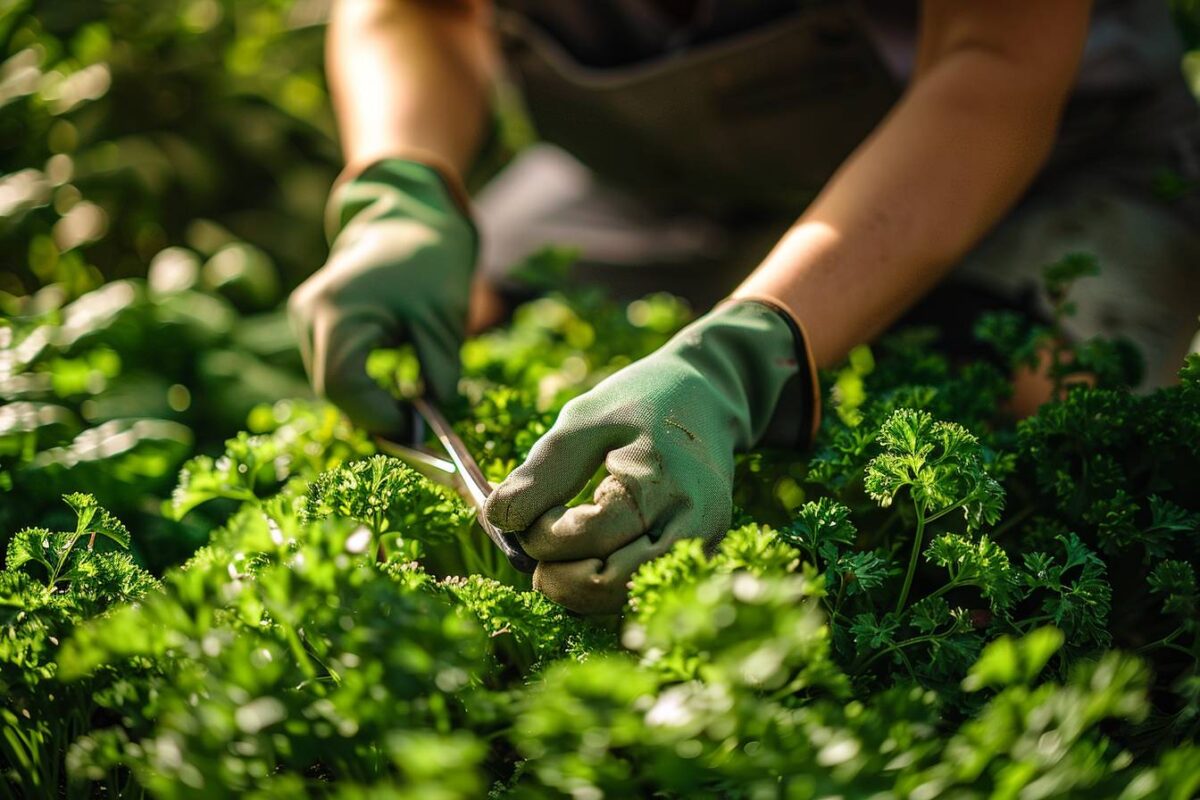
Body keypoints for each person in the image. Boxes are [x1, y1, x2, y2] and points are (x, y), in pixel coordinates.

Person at [288, 0, 1200, 613]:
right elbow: (415, 12)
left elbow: (994, 65)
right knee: (471, 315)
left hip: (1031, 162)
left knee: (1033, 424)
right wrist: (399, 189)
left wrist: (740, 357)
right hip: (652, 180)